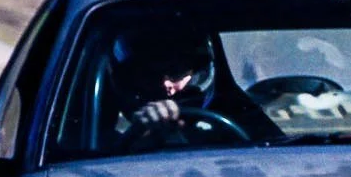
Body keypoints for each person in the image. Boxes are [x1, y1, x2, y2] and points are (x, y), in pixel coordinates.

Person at [104, 32, 274, 151]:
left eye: (177, 71)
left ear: (200, 70)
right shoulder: (104, 143)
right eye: (149, 75)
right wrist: (139, 136)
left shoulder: (239, 121)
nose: (167, 85)